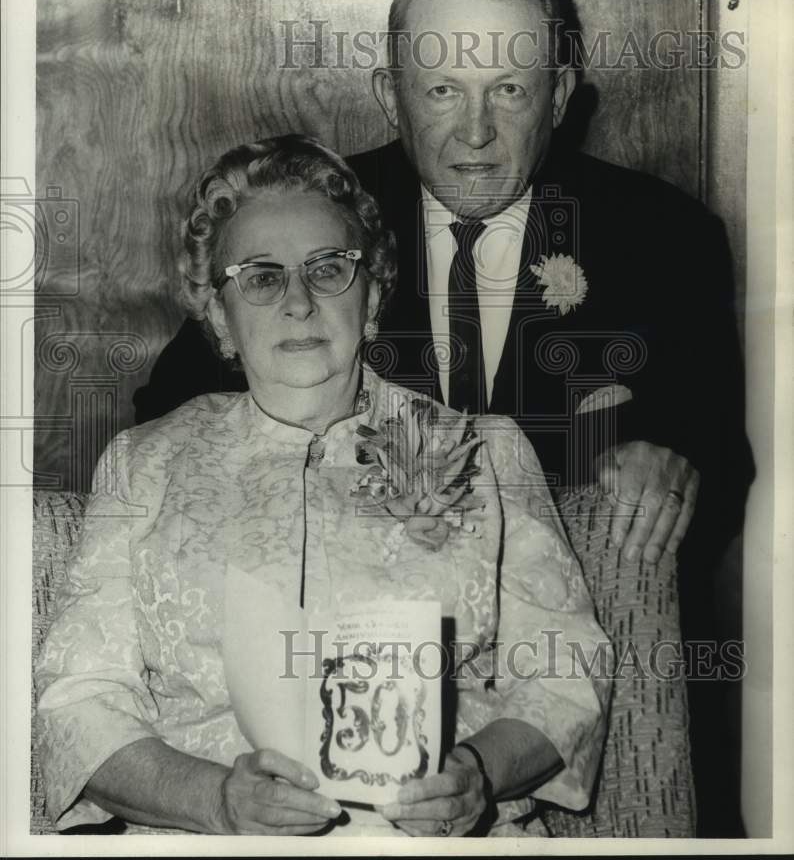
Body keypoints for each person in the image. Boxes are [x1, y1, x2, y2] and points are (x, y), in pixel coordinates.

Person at [36, 135, 611, 837]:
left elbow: (565, 674)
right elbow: (78, 699)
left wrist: (479, 773)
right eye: (260, 276)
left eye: (328, 268)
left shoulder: (485, 451)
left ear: (371, 298)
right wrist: (216, 800)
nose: (300, 303)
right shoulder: (142, 464)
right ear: (219, 315)